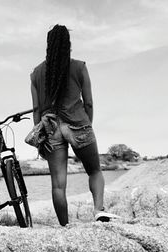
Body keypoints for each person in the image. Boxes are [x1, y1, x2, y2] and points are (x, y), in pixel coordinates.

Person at [30, 24, 119, 226]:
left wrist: (40, 136)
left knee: (58, 186)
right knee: (94, 171)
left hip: (50, 127)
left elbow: (36, 110)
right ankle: (98, 211)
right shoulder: (79, 67)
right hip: (78, 123)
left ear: (48, 46)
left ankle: (65, 227)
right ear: (68, 44)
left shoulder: (36, 74)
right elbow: (88, 102)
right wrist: (87, 125)